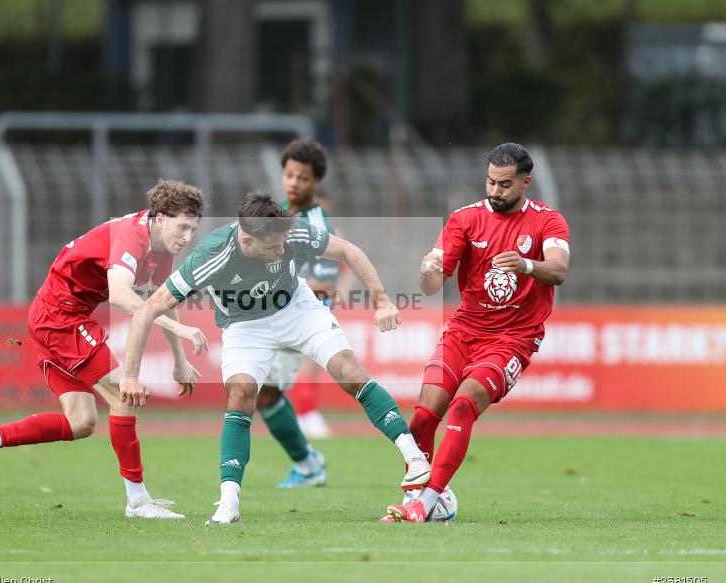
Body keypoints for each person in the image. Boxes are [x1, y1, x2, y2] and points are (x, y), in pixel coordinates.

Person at [119, 193, 431, 525]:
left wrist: (382, 301)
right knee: (240, 396)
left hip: (297, 308)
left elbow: (348, 251)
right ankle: (228, 503)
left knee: (349, 371)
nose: (282, 250)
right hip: (245, 327)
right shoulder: (212, 255)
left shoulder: (289, 231)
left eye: (283, 243)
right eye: (272, 247)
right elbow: (148, 310)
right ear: (247, 239)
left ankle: (415, 459)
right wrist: (130, 374)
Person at [0, 180, 209, 519]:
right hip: (60, 316)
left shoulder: (162, 247)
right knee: (125, 393)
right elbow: (121, 295)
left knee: (82, 422)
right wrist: (179, 329)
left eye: (192, 229)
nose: (187, 237)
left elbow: (161, 300)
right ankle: (137, 501)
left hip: (58, 316)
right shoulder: (133, 236)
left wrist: (179, 360)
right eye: (182, 227)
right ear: (160, 218)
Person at [385, 143, 570, 523]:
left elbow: (559, 270)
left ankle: (428, 502)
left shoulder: (548, 222)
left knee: (464, 404)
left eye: (504, 184)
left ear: (525, 182)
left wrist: (525, 264)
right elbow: (432, 285)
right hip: (464, 330)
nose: (495, 191)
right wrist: (427, 269)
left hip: (513, 338)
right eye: (490, 182)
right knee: (423, 415)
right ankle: (416, 497)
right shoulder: (464, 220)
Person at [258, 140, 340, 489]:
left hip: (298, 316)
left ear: (316, 182)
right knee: (263, 392)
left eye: (302, 178)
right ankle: (307, 459)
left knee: (263, 393)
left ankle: (308, 464)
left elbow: (325, 283)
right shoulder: (279, 214)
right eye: (289, 175)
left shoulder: (316, 223)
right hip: (273, 312)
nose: (293, 182)